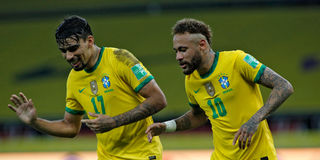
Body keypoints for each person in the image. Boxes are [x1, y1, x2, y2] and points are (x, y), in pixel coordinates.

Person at [8, 15, 167, 160]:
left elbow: (158, 100)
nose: (68, 56)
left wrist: (114, 122)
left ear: (90, 41)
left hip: (142, 155)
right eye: (63, 51)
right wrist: (35, 122)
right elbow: (70, 127)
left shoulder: (120, 58)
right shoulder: (73, 79)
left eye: (73, 48)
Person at [146, 18, 294, 160]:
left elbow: (284, 86)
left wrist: (254, 121)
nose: (178, 56)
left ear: (202, 45)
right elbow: (198, 115)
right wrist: (166, 126)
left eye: (183, 50)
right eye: (176, 51)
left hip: (257, 156)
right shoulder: (191, 81)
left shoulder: (237, 61)